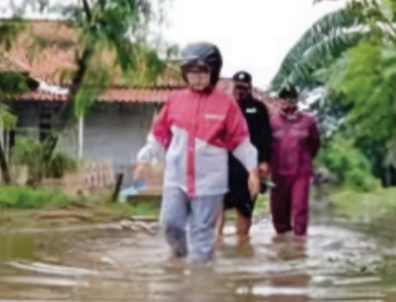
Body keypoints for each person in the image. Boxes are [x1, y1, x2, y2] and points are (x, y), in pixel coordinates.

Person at [134, 42, 260, 263]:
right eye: (191, 72)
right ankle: (178, 258)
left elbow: (240, 140)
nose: (197, 77)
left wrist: (253, 170)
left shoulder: (226, 105)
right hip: (176, 176)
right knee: (170, 224)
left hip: (210, 181)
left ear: (214, 72)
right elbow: (159, 133)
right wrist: (144, 159)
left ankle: (200, 285)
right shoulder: (175, 101)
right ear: (184, 74)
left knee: (202, 236)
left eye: (202, 72)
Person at [217, 71, 272, 238]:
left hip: (249, 167)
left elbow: (266, 136)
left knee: (245, 209)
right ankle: (217, 246)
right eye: (237, 87)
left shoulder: (259, 108)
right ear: (232, 86)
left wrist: (264, 161)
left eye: (244, 87)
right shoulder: (221, 106)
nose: (240, 91)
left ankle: (242, 247)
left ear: (250, 87)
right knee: (218, 206)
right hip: (223, 165)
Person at [269, 85, 320, 237]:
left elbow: (315, 144)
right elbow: (265, 146)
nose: (287, 103)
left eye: (291, 100)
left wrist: (305, 161)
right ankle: (282, 247)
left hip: (300, 173)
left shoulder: (308, 122)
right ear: (278, 101)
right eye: (284, 100)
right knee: (279, 213)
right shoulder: (272, 122)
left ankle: (299, 247)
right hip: (278, 174)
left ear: (297, 101)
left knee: (300, 209)